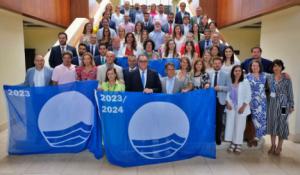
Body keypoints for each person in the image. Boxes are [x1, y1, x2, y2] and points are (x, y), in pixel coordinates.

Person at [267, 59, 294, 156]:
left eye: (278, 66)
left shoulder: (286, 78)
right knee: (272, 124)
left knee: (282, 124)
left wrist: (291, 105)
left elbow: (290, 91)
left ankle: (279, 146)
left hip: (283, 104)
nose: (276, 68)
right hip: (272, 104)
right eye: (274, 66)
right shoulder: (269, 77)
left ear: (281, 67)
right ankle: (273, 145)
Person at [209, 57, 231, 145]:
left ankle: (217, 138)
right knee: (210, 119)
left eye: (218, 63)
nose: (217, 65)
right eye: (215, 63)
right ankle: (209, 137)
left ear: (221, 64)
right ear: (212, 64)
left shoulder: (226, 74)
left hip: (220, 100)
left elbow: (229, 87)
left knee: (219, 120)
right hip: (209, 100)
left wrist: (220, 88)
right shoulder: (208, 73)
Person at [246, 60, 268, 146]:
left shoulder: (265, 75)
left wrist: (284, 74)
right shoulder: (247, 76)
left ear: (260, 67)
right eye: (253, 66)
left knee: (261, 119)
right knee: (253, 119)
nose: (255, 67)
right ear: (251, 67)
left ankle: (258, 137)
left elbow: (276, 76)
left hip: (262, 101)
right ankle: (251, 137)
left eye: (257, 66)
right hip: (251, 101)